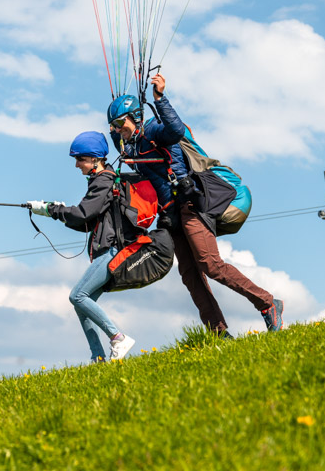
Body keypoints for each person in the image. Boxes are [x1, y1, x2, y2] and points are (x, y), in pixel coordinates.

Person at [107, 74, 284, 337]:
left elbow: (176, 130)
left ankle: (268, 303)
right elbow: (123, 151)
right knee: (190, 274)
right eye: (114, 126)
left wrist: (160, 98)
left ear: (135, 117)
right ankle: (218, 333)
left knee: (210, 265)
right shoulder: (132, 148)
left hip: (189, 204)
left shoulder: (154, 130)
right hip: (170, 214)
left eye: (121, 123)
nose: (118, 129)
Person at [28, 131, 136, 363]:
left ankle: (118, 337)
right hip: (106, 248)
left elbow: (83, 213)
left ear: (95, 159)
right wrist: (55, 210)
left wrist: (51, 210)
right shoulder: (100, 181)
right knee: (82, 303)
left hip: (111, 250)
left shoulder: (104, 180)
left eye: (80, 159)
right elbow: (86, 222)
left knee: (77, 296)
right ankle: (97, 357)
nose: (77, 165)